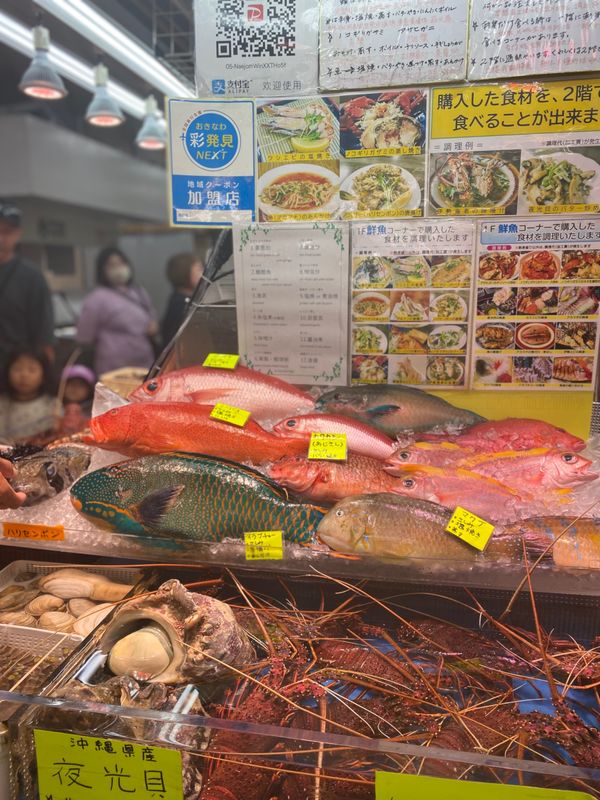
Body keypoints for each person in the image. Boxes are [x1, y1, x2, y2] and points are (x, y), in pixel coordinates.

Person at [77, 247, 158, 377]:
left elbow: (151, 315)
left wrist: (154, 325)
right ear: (102, 270)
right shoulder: (96, 298)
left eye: (121, 263)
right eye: (111, 265)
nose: (118, 268)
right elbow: (84, 336)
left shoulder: (139, 292)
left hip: (144, 362)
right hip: (113, 368)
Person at [0, 201, 54, 389]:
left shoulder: (31, 277)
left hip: (17, 375)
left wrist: (44, 379)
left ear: (17, 234)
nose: (1, 237)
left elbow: (44, 336)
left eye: (7, 231)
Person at [0, 349, 59, 443]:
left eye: (32, 369)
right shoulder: (2, 403)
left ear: (44, 376)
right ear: (7, 373)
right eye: (17, 369)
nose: (24, 375)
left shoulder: (52, 404)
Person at [161, 252, 204, 346]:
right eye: (199, 269)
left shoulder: (183, 299)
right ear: (185, 273)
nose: (203, 274)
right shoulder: (180, 305)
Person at [60, 364, 95, 435]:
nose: (75, 388)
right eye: (72, 384)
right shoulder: (53, 407)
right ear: (62, 386)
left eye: (81, 385)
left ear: (89, 390)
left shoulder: (93, 412)